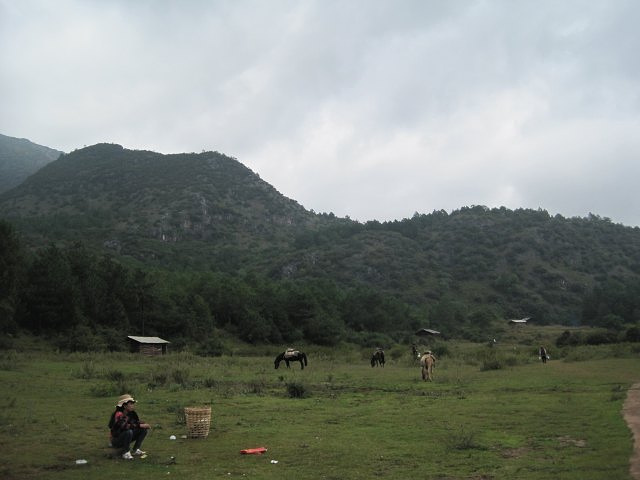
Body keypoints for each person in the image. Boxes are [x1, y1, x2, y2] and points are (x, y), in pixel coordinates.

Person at [109, 394, 151, 460]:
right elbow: (124, 426)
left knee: (143, 429)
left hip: (125, 436)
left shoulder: (130, 413)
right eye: (131, 404)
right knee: (129, 431)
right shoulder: (119, 414)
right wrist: (140, 425)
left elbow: (134, 422)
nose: (132, 405)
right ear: (125, 406)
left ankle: (136, 449)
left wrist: (141, 424)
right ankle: (125, 453)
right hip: (117, 439)